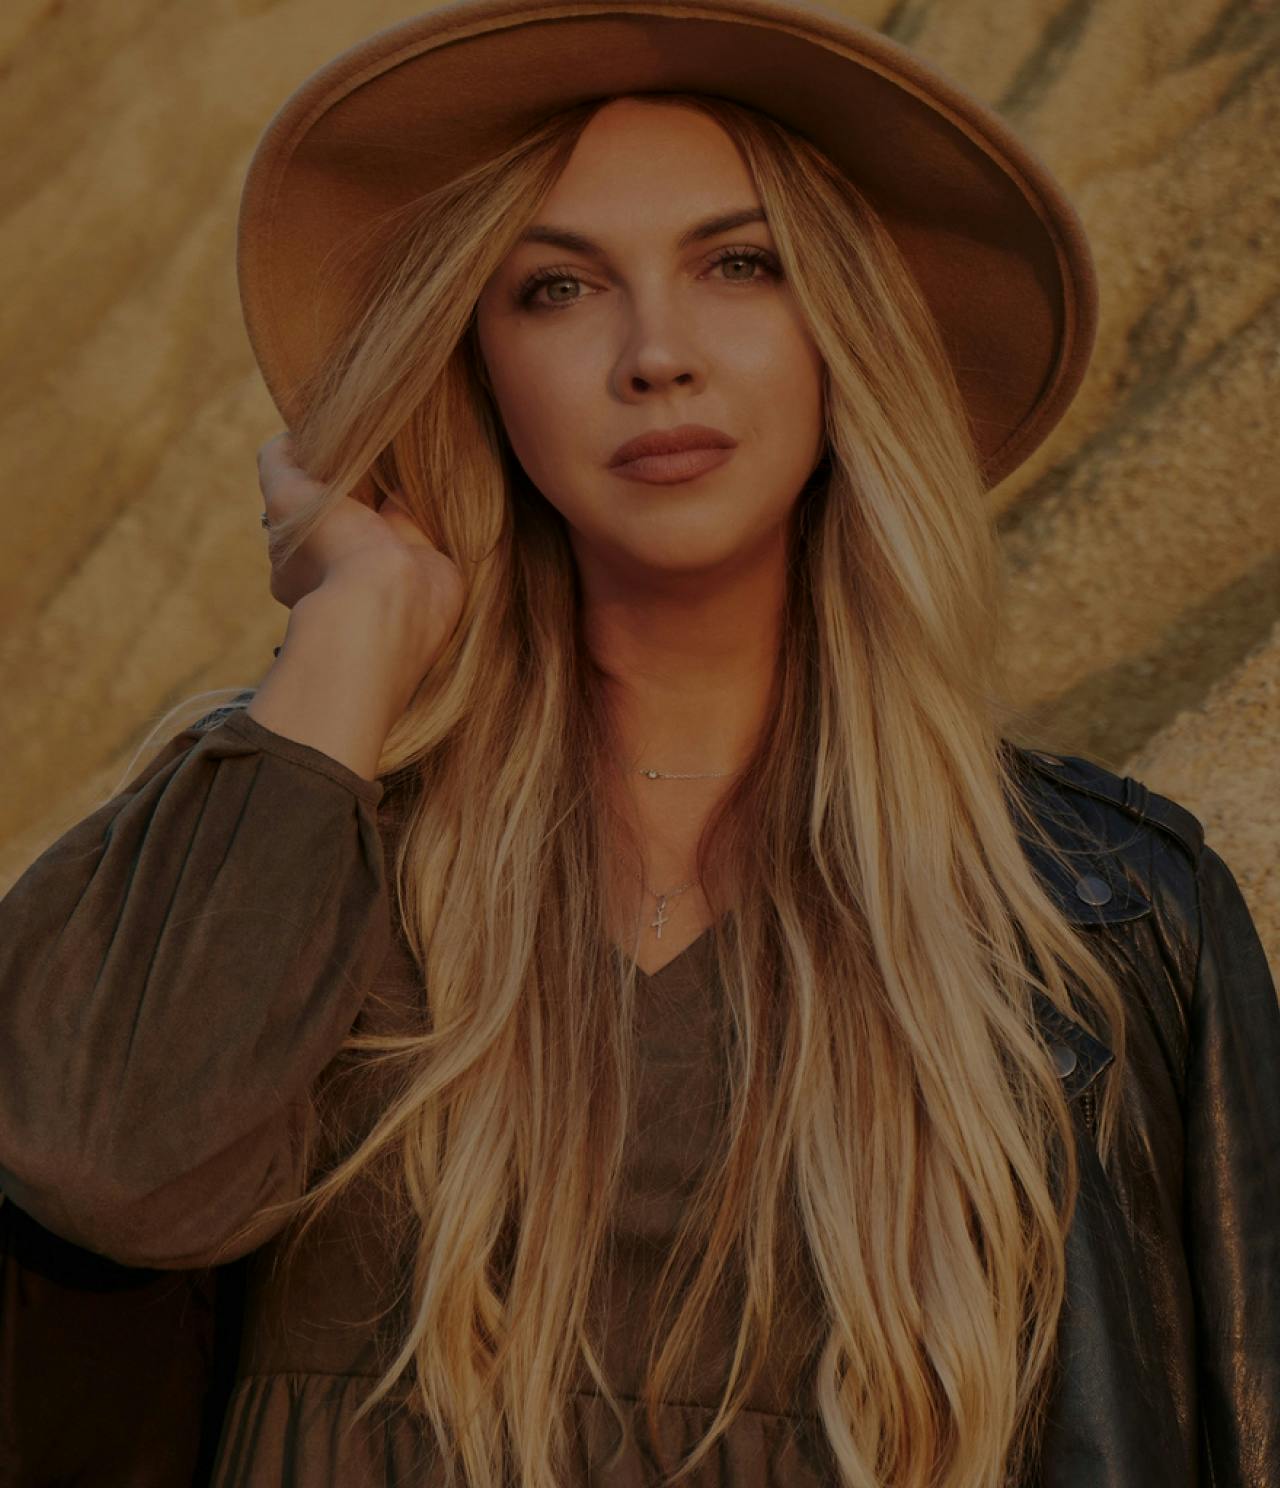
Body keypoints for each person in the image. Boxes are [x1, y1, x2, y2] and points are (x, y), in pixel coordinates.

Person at [0, 2, 1276, 1485]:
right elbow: (102, 1171)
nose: (655, 353)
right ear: (470, 366)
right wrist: (354, 626)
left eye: (742, 266)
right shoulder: (299, 841)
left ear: (847, 334)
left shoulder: (1104, 921)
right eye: (554, 290)